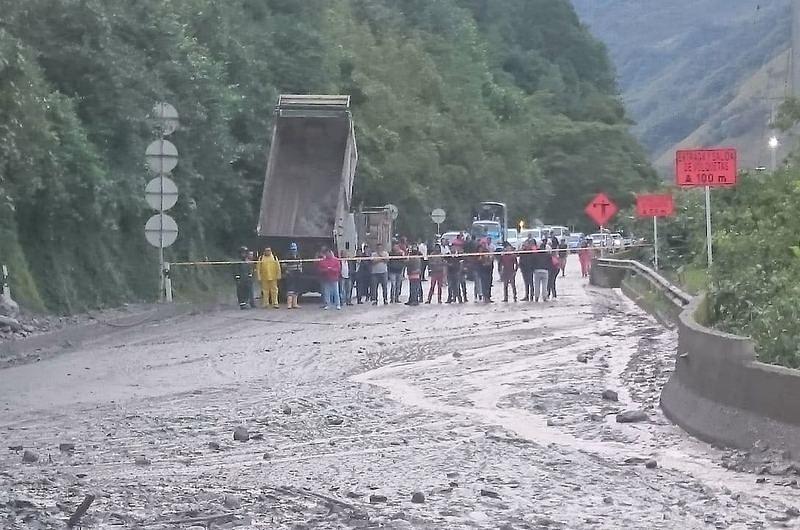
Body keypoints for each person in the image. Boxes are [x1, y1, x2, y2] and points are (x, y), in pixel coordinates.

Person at [283, 242, 303, 309]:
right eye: (293, 249)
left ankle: (295, 304)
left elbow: (300, 263)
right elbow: (284, 265)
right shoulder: (287, 256)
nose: (294, 250)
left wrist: (300, 270)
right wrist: (287, 271)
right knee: (290, 289)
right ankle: (289, 304)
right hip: (290, 274)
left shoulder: (298, 255)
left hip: (297, 273)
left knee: (296, 289)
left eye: (295, 249)